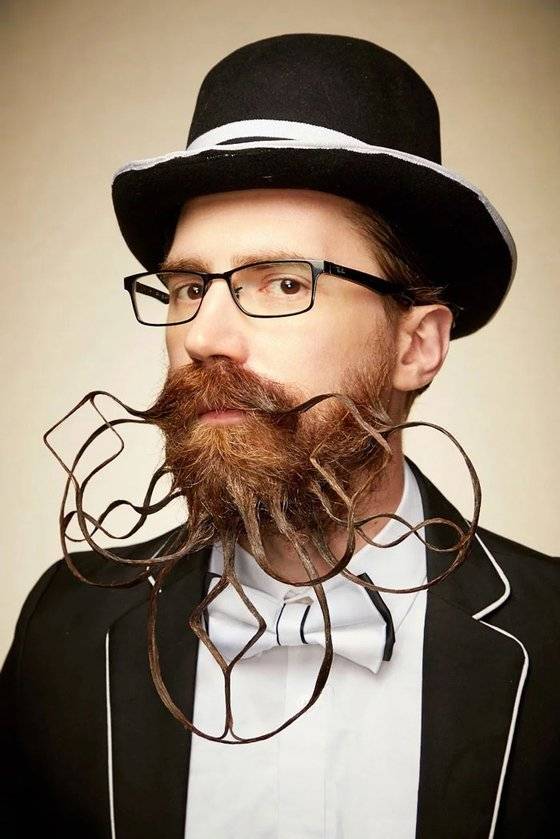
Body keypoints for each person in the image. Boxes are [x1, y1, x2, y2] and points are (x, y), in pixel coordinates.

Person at [1, 33, 557, 839]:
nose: (204, 336)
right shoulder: (65, 627)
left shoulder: (552, 638)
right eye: (187, 287)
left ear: (416, 345)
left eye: (283, 282)